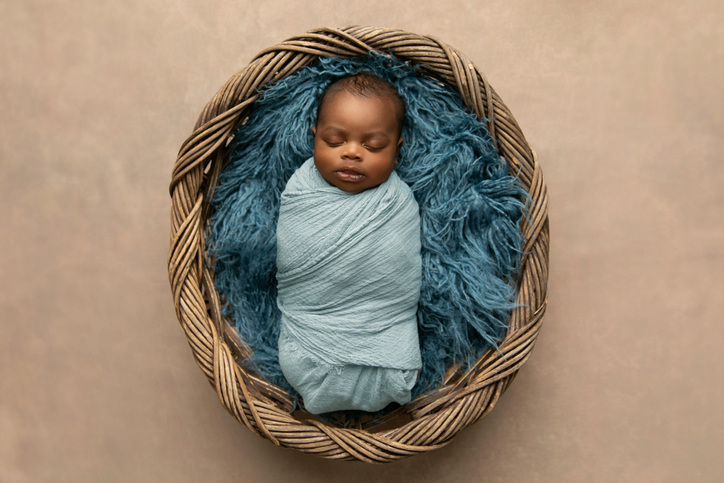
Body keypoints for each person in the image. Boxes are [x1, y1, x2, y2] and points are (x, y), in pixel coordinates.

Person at [275, 72, 423, 414]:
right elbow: (292, 252)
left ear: (397, 150)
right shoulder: (301, 191)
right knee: (298, 356)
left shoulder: (398, 202)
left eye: (373, 146)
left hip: (384, 332)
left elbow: (399, 272)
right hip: (310, 332)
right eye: (334, 141)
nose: (352, 153)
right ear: (314, 140)